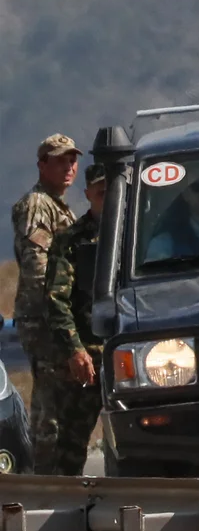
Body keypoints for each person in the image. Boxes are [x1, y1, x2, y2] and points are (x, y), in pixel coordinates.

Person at [10, 133, 80, 474]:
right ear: (42, 165)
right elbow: (37, 267)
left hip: (55, 317)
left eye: (72, 160)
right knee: (49, 410)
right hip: (43, 319)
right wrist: (56, 319)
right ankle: (43, 483)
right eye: (59, 160)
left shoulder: (58, 205)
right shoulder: (39, 205)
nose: (68, 167)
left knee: (62, 402)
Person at [43, 164, 107, 476]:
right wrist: (74, 350)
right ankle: (62, 512)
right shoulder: (71, 241)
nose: (108, 197)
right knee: (70, 443)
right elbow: (56, 300)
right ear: (88, 194)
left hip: (139, 356)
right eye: (101, 191)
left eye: (114, 189)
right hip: (90, 356)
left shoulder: (141, 234)